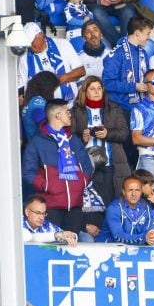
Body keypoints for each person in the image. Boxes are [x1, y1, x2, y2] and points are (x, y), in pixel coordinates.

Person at [22, 99, 96, 239]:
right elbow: (27, 173)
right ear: (57, 115)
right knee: (52, 247)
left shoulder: (73, 139)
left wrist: (82, 182)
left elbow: (87, 166)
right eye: (67, 111)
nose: (70, 114)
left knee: (72, 248)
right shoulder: (37, 141)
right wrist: (47, 185)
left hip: (74, 206)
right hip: (50, 206)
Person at [71, 76, 130, 206]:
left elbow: (124, 133)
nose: (97, 92)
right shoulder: (76, 111)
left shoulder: (114, 108)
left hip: (110, 164)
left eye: (99, 88)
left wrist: (108, 133)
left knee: (111, 202)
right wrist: (83, 138)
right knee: (92, 205)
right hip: (87, 165)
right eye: (92, 89)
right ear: (85, 91)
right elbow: (69, 138)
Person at [18, 22, 85, 102]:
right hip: (41, 109)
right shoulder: (24, 57)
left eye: (32, 42)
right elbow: (21, 85)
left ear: (41, 36)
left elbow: (81, 71)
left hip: (68, 106)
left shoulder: (63, 44)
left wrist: (58, 80)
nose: (30, 47)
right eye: (27, 44)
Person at [103, 15, 153, 114]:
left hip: (140, 107)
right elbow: (107, 83)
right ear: (138, 33)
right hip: (119, 110)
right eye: (148, 34)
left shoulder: (143, 53)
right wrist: (134, 87)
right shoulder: (116, 54)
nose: (149, 37)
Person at [98, 177, 154, 244]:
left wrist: (151, 238)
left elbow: (148, 233)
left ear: (141, 192)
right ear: (123, 192)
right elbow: (118, 237)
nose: (134, 194)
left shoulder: (147, 208)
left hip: (136, 248)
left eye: (137, 190)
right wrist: (144, 238)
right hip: (107, 248)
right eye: (130, 190)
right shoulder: (114, 208)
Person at [22, 70, 59, 143]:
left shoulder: (32, 100)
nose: (54, 93)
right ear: (48, 88)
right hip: (40, 148)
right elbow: (44, 124)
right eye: (53, 90)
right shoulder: (38, 103)